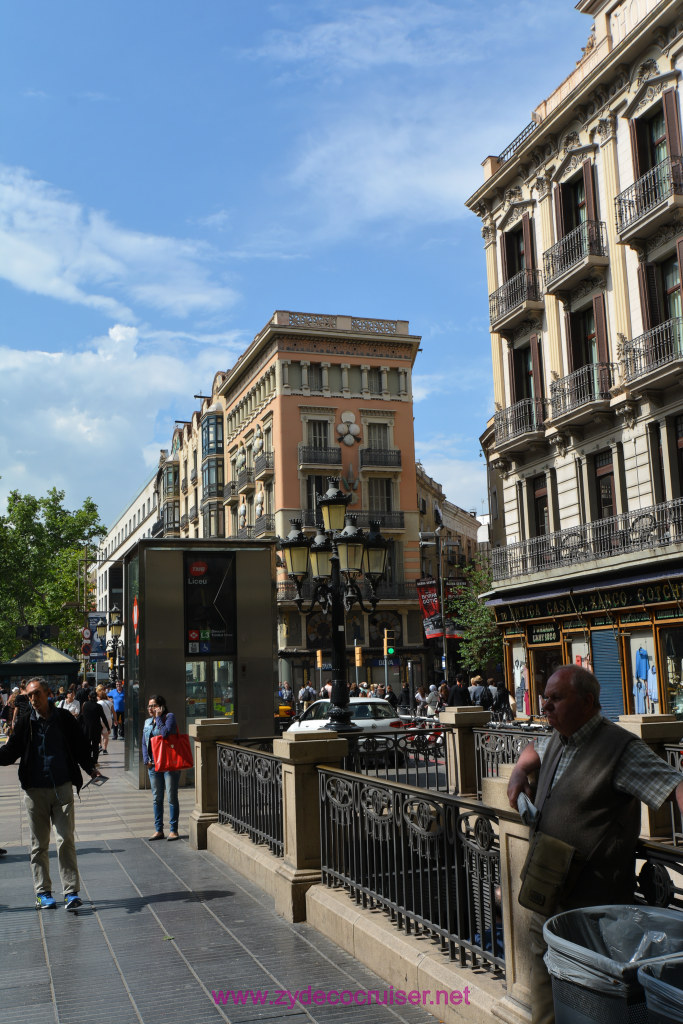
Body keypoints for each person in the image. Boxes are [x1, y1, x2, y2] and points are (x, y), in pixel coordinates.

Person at [507, 665, 683, 1024]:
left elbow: (674, 785)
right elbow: (534, 750)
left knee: (587, 1009)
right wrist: (519, 771)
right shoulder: (559, 736)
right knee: (545, 1000)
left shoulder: (619, 749)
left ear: (587, 702)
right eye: (545, 698)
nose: (546, 706)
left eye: (556, 698)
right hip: (545, 897)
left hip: (590, 915)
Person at [0, 677, 100, 910]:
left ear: (48, 694)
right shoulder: (26, 722)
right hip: (35, 791)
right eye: (29, 696)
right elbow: (11, 751)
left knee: (65, 839)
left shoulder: (64, 719)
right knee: (39, 844)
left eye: (37, 694)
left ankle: (71, 891)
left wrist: (90, 768)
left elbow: (79, 747)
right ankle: (43, 892)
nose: (33, 699)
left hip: (62, 787)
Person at [142, 695, 180, 841]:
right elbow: (144, 743)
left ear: (161, 706)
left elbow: (166, 734)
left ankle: (173, 830)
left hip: (169, 764)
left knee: (171, 797)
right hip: (153, 765)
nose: (151, 709)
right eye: (149, 706)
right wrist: (146, 760)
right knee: (157, 799)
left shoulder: (169, 717)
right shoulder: (146, 722)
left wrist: (158, 718)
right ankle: (159, 830)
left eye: (154, 706)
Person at [78, 690, 110, 766]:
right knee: (95, 746)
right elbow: (103, 717)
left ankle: (88, 760)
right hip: (96, 729)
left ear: (89, 697)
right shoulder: (98, 706)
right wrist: (108, 728)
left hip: (86, 728)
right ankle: (95, 762)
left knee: (87, 745)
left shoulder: (85, 705)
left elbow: (82, 716)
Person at [96, 685, 114, 755]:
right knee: (106, 735)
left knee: (99, 734)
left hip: (99, 720)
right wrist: (115, 720)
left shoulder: (98, 703)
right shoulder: (110, 702)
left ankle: (100, 745)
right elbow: (114, 712)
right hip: (108, 719)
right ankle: (105, 749)